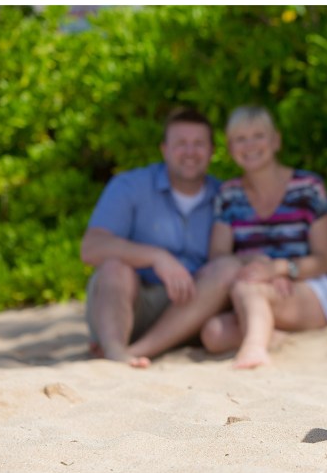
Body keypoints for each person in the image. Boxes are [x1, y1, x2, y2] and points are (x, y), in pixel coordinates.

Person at [81, 108, 239, 367]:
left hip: (193, 309)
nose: (190, 151)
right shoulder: (129, 185)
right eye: (180, 144)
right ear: (164, 149)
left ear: (212, 151)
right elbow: (91, 248)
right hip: (132, 304)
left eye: (198, 143)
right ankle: (115, 349)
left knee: (227, 267)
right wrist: (156, 257)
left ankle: (137, 352)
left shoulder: (228, 196)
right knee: (114, 267)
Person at [198, 105, 327, 369]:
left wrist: (279, 269)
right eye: (240, 139)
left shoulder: (308, 187)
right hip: (256, 283)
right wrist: (258, 264)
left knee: (247, 287)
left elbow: (324, 260)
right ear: (230, 148)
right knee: (213, 334)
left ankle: (254, 349)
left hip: (311, 286)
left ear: (275, 140)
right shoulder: (228, 194)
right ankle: (274, 337)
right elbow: (218, 257)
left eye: (258, 136)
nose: (250, 145)